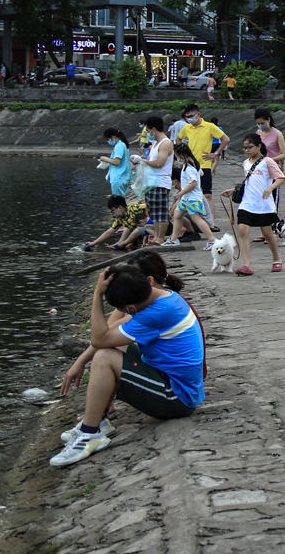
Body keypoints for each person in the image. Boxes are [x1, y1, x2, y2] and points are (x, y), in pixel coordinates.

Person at [50, 264, 205, 466]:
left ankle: (90, 434)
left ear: (130, 308)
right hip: (176, 384)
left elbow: (99, 339)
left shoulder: (154, 315)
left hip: (178, 399)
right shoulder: (164, 296)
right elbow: (109, 333)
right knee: (115, 348)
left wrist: (97, 294)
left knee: (104, 357)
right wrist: (81, 361)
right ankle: (100, 420)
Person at [222, 134, 285, 275]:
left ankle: (276, 258)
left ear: (259, 146)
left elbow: (281, 177)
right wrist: (234, 190)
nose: (247, 150)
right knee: (243, 231)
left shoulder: (267, 161)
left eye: (250, 147)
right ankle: (247, 265)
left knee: (267, 233)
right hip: (247, 202)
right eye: (245, 148)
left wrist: (270, 188)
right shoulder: (246, 163)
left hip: (263, 204)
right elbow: (248, 181)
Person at [175, 105, 228, 217]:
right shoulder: (187, 127)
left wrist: (215, 153)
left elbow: (226, 139)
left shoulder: (209, 126)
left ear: (198, 114)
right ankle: (193, 219)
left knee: (207, 194)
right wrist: (182, 154)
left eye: (191, 116)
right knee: (188, 193)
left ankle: (211, 222)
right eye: (187, 117)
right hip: (189, 165)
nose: (189, 119)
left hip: (204, 164)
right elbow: (178, 139)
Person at [130, 116, 175, 241]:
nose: (148, 133)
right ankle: (156, 237)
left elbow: (159, 163)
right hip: (151, 183)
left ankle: (160, 239)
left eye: (148, 130)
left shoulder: (165, 143)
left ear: (154, 129)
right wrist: (138, 161)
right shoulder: (155, 144)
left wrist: (143, 160)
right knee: (154, 213)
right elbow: (149, 161)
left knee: (161, 213)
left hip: (160, 182)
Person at [169, 145, 218, 246]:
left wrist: (181, 193)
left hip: (192, 198)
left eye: (177, 156)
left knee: (196, 219)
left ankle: (212, 239)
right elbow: (200, 174)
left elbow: (194, 183)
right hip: (187, 198)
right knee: (177, 215)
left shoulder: (189, 168)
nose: (176, 159)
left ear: (182, 155)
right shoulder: (192, 165)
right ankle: (174, 239)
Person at [98, 127, 131, 200]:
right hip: (123, 176)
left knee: (118, 201)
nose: (108, 141)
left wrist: (104, 158)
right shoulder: (122, 145)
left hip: (119, 177)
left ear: (113, 137)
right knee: (121, 199)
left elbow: (117, 162)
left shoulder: (119, 146)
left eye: (108, 139)